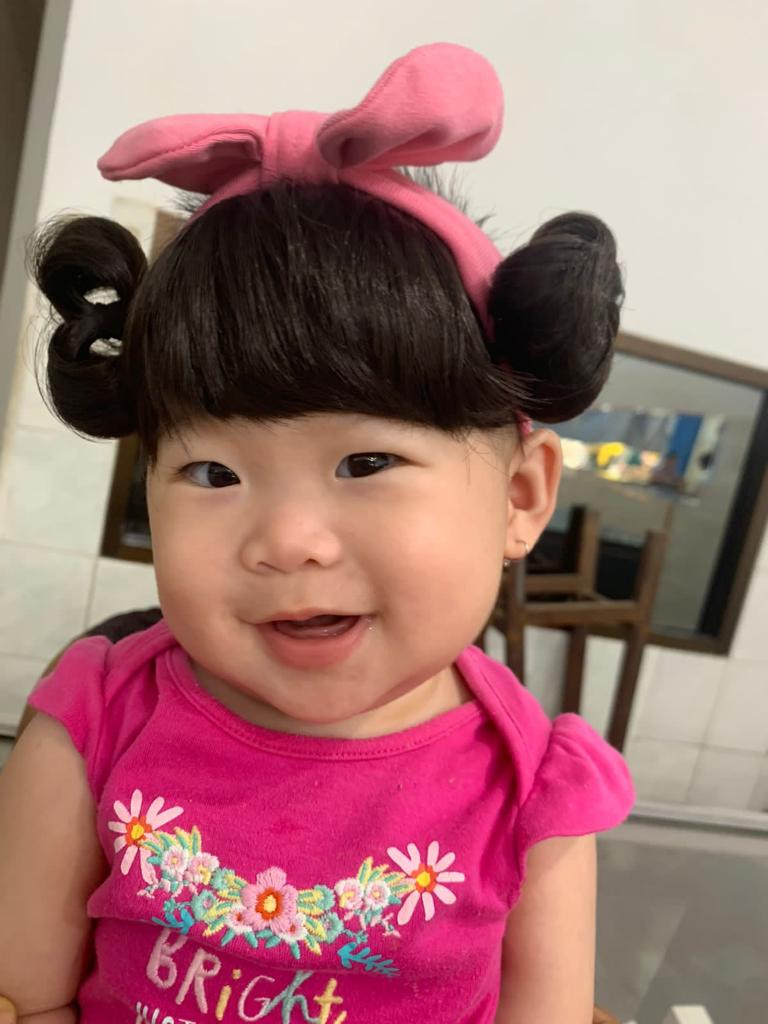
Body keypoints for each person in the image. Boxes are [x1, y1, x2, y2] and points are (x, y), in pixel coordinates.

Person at [0, 43, 632, 1024]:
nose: (289, 542)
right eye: (213, 474)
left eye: (367, 462)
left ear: (519, 496)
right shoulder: (89, 725)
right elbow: (25, 999)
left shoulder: (532, 790)